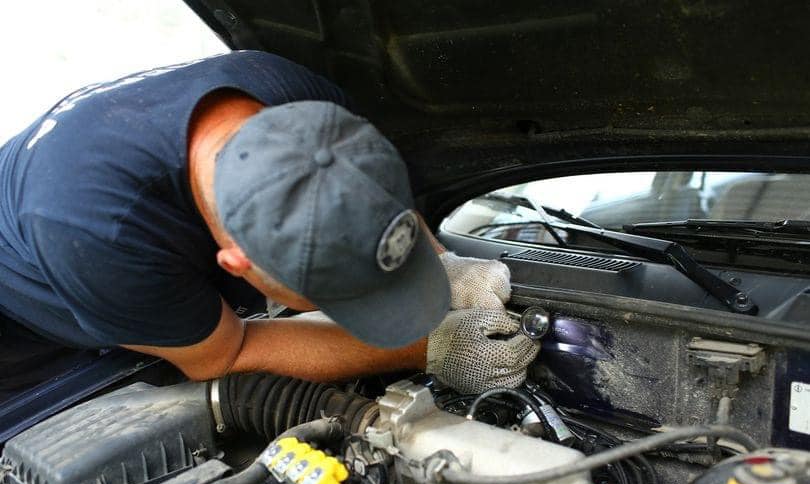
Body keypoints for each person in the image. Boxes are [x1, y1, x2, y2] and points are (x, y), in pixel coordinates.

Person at [0, 50, 538, 397]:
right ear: (236, 264)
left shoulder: (298, 100)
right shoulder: (100, 235)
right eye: (352, 296)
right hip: (24, 329)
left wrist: (443, 265)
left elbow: (374, 189)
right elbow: (228, 352)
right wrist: (431, 348)